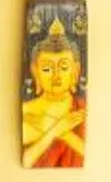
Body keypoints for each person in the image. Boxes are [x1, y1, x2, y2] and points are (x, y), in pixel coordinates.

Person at [25, 15, 88, 169]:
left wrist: (56, 129)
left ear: (76, 70)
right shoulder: (27, 110)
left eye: (64, 67)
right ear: (35, 71)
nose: (56, 76)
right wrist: (56, 129)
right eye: (47, 69)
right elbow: (27, 160)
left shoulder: (80, 109)